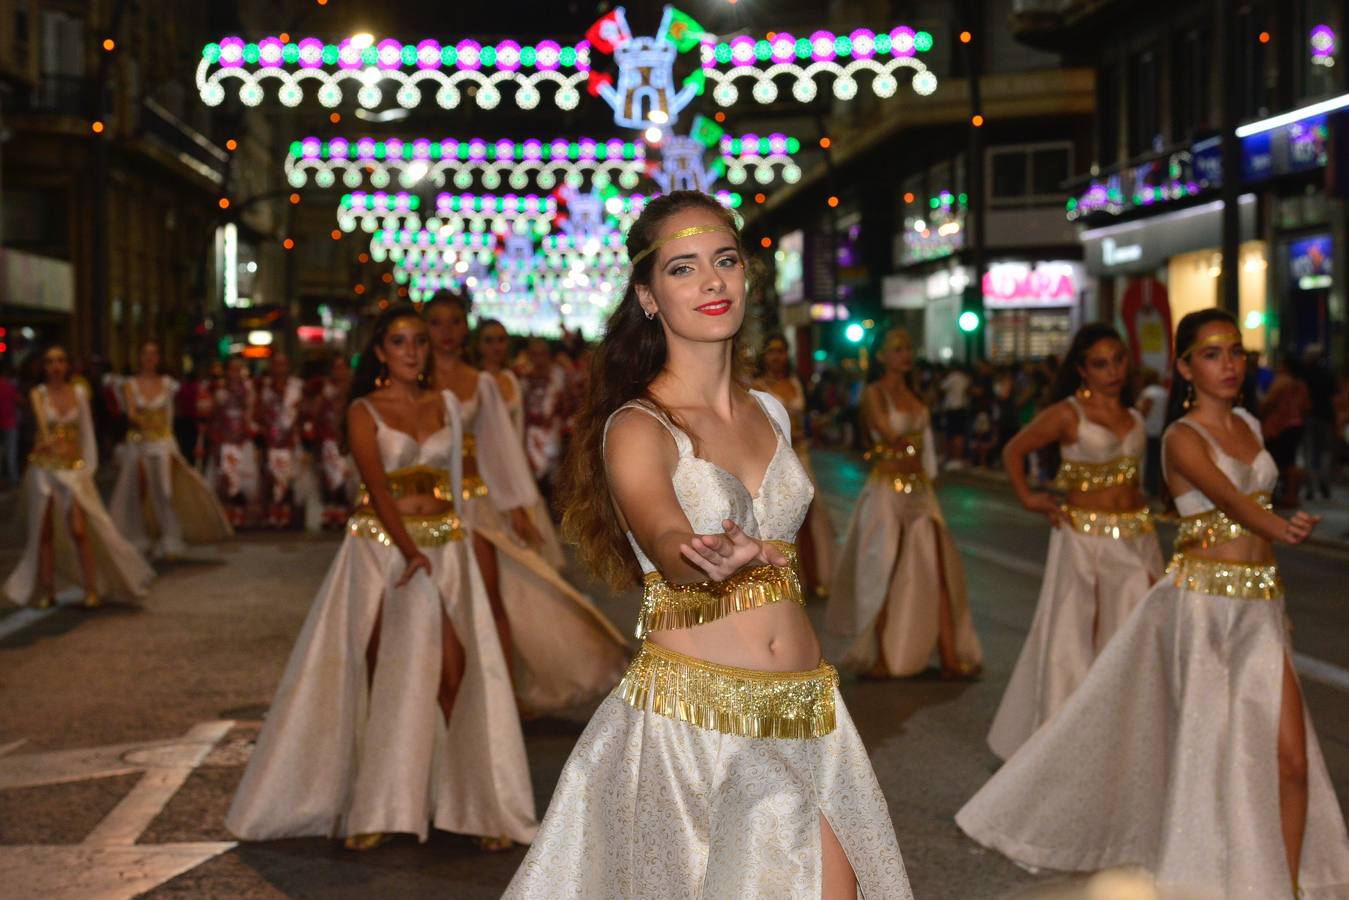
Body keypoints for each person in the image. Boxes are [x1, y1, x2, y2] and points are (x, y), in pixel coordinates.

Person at [504, 191, 911, 899]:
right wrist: (697, 552)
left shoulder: (772, 411)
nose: (711, 281)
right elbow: (662, 532)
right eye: (683, 268)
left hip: (811, 712)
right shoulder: (637, 426)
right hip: (698, 724)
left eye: (724, 260)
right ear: (648, 296)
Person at [957, 309, 1349, 899]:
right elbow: (1230, 500)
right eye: (1213, 353)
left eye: (1236, 351)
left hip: (1259, 605)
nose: (1229, 364)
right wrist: (1280, 522)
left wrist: (1277, 593)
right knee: (1214, 757)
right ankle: (1204, 873)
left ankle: (1287, 884)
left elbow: (1252, 514)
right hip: (1204, 610)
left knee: (1291, 761)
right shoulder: (1181, 438)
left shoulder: (1248, 423)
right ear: (1185, 367)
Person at [226, 306, 537, 852]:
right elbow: (376, 488)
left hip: (444, 546)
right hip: (379, 551)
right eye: (400, 341)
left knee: (455, 672)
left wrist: (460, 543)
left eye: (419, 340)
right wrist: (410, 550)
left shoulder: (446, 404)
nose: (413, 350)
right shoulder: (363, 411)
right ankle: (373, 805)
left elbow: (462, 481)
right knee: (375, 670)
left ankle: (476, 804)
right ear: (380, 352)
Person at [426, 293, 628, 716]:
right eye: (437, 322)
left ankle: (499, 696)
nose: (446, 333)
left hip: (475, 501)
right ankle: (437, 689)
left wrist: (518, 504)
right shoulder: (413, 382)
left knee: (494, 594)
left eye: (454, 322)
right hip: (423, 506)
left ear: (465, 329)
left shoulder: (481, 384)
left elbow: (500, 446)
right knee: (433, 603)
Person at [987, 323, 1163, 760]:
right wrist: (1030, 498)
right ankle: (1069, 745)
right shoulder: (1068, 414)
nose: (1113, 371)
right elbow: (1014, 450)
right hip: (1086, 539)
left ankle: (1129, 736)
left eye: (1119, 359)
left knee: (1135, 636)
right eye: (1101, 364)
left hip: (1138, 537)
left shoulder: (1136, 414)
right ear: (1082, 370)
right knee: (1076, 641)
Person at [827, 329, 983, 680]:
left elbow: (920, 442)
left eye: (908, 347)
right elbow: (886, 430)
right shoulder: (874, 393)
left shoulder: (915, 394)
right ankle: (879, 655)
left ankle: (949, 655)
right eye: (896, 348)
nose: (904, 354)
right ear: (880, 356)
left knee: (940, 568)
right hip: (887, 490)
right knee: (884, 568)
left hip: (920, 491)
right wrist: (904, 443)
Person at [3, 346, 153, 608]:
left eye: (60, 360)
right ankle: (47, 590)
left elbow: (86, 434)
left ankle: (92, 587)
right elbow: (41, 429)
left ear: (68, 365)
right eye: (50, 362)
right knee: (44, 531)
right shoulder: (39, 395)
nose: (55, 366)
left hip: (73, 471)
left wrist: (87, 470)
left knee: (80, 529)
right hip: (44, 471)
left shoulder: (79, 394)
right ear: (44, 367)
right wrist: (44, 442)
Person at [109, 342, 233, 558]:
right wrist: (142, 421)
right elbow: (131, 414)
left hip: (163, 444)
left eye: (154, 354)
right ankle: (140, 537)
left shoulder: (167, 384)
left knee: (164, 490)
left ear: (159, 358)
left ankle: (169, 537)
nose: (150, 358)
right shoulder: (130, 385)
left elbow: (171, 417)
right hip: (139, 444)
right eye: (145, 354)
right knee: (137, 490)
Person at [753, 333, 837, 598]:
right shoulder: (757, 387)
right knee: (782, 519)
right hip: (776, 460)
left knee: (809, 516)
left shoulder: (795, 383)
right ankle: (786, 577)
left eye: (781, 351)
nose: (777, 357)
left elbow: (806, 416)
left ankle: (813, 577)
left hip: (801, 456)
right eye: (772, 351)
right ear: (763, 356)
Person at [207, 358, 259, 528]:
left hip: (242, 443)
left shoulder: (249, 391)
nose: (235, 374)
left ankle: (241, 516)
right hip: (225, 443)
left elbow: (251, 417)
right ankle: (227, 517)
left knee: (243, 482)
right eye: (232, 370)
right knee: (225, 480)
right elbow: (213, 418)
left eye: (239, 370)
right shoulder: (219, 392)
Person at [257, 352, 304, 527]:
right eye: (275, 364)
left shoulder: (297, 387)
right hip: (271, 442)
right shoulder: (265, 388)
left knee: (290, 477)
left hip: (291, 442)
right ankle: (272, 515)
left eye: (282, 364)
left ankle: (289, 516)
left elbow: (304, 412)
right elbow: (258, 413)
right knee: (270, 476)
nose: (279, 369)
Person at [521, 337, 571, 502]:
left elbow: (567, 403)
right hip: (530, 434)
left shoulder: (558, 374)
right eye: (535, 354)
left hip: (552, 433)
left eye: (542, 354)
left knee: (553, 474)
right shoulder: (523, 375)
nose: (539, 358)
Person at [1135, 366, 1168, 498]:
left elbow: (1144, 412)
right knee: (1156, 461)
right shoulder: (1163, 392)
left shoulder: (1149, 393)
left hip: (1148, 430)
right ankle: (1156, 488)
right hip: (1159, 429)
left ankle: (1149, 487)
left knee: (1148, 462)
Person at [939, 364, 971, 468]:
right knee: (959, 434)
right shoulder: (965, 378)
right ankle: (957, 459)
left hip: (953, 409)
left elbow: (942, 387)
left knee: (953, 434)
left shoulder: (953, 377)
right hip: (962, 408)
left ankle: (954, 458)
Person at [0, 358, 19, 486]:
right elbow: (19, 400)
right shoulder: (9, 386)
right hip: (10, 423)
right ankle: (13, 479)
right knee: (11, 452)